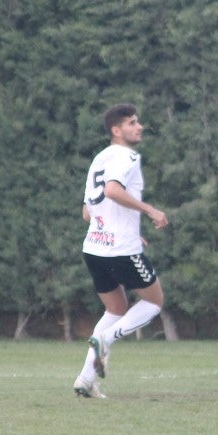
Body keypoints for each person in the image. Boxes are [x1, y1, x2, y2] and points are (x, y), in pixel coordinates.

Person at [73, 103, 169, 399]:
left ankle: (85, 380)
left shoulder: (99, 159)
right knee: (154, 302)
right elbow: (113, 191)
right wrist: (150, 210)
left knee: (115, 308)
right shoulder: (127, 156)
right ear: (117, 131)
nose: (139, 126)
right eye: (132, 123)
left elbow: (87, 212)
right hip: (119, 249)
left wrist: (129, 228)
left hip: (94, 247)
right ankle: (106, 339)